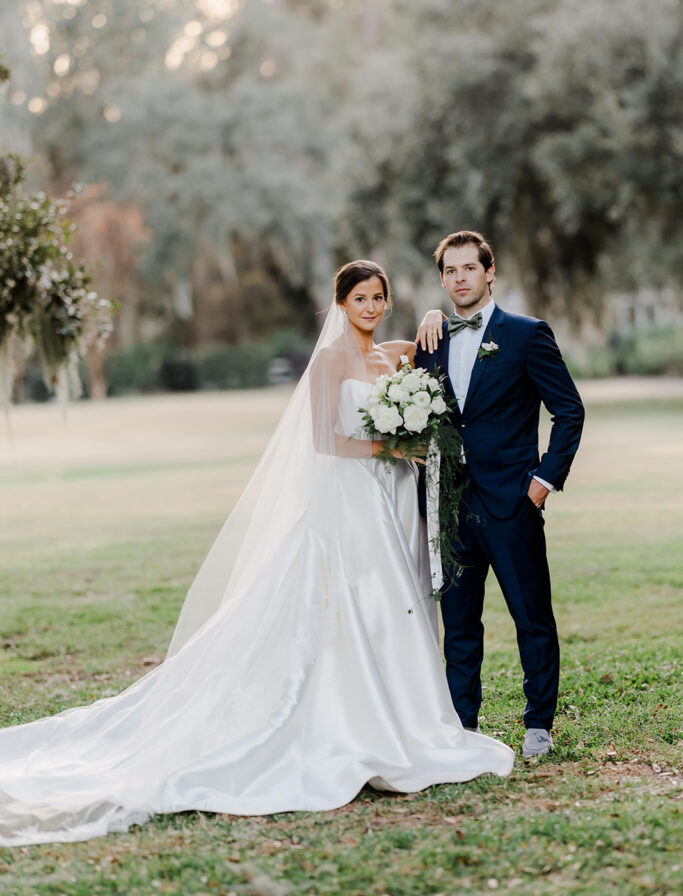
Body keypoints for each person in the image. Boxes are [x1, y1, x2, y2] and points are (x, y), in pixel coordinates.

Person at [0, 259, 513, 848]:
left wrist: (429, 313)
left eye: (378, 299)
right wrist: (392, 444)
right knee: (345, 601)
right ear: (340, 304)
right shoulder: (330, 360)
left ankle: (402, 717)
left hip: (391, 499)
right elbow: (324, 439)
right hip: (349, 499)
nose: (371, 308)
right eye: (360, 299)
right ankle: (351, 720)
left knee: (390, 606)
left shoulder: (392, 354)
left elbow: (446, 331)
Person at [415, 231, 585, 759]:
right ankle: (463, 724)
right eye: (451, 271)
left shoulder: (526, 335)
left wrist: (542, 481)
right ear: (443, 279)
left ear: (490, 273)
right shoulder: (432, 342)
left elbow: (569, 410)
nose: (460, 278)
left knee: (531, 615)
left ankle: (539, 723)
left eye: (470, 268)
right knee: (460, 622)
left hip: (512, 501)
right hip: (450, 506)